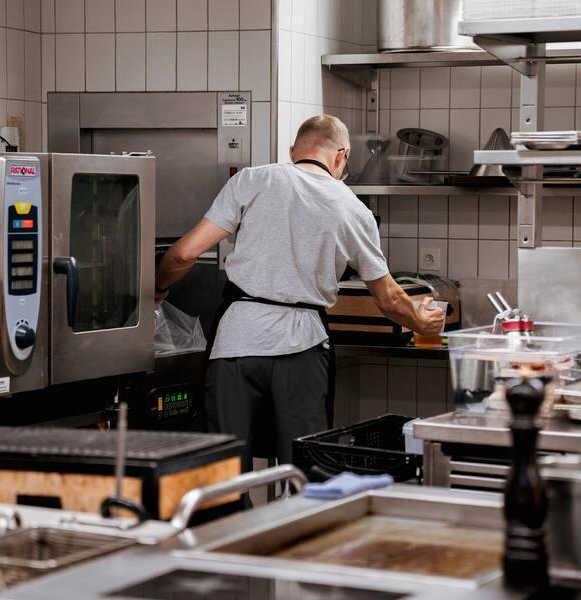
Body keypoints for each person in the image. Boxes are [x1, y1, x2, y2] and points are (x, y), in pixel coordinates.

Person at [155, 114, 445, 473]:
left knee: (225, 471)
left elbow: (184, 253)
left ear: (293, 151)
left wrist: (158, 288)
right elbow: (388, 299)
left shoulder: (253, 179)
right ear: (342, 155)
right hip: (303, 348)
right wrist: (422, 321)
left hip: (236, 341)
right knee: (304, 469)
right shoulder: (353, 208)